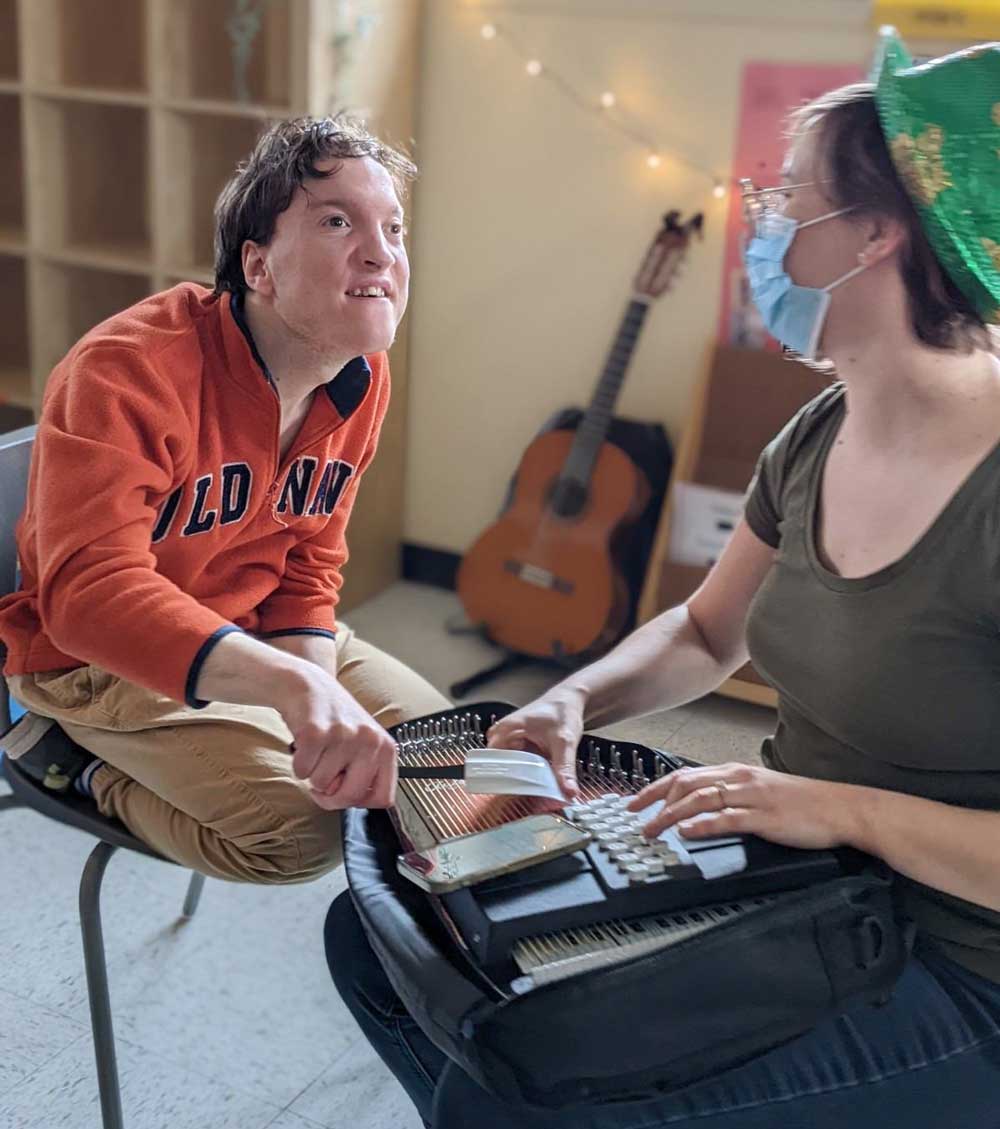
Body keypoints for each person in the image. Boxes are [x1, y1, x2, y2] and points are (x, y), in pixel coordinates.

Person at [325, 30, 1000, 1127]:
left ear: (879, 235)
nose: (761, 230)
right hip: (811, 882)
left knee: (515, 1099)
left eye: (789, 205)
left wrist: (836, 809)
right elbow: (701, 633)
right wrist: (571, 697)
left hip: (963, 965)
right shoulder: (822, 429)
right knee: (375, 939)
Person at [0, 115, 449, 883]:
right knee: (304, 838)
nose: (382, 253)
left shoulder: (360, 371)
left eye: (394, 229)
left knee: (449, 765)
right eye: (338, 221)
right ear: (259, 266)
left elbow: (310, 561)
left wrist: (304, 689)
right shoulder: (124, 371)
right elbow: (86, 597)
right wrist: (290, 689)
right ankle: (78, 765)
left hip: (249, 625)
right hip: (97, 661)